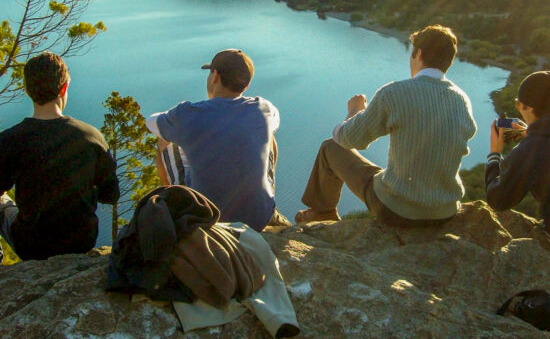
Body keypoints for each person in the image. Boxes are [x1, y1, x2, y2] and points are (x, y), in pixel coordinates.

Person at [295, 24, 477, 226]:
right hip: (445, 212)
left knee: (330, 147)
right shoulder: (462, 101)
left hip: (397, 210)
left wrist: (354, 111)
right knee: (391, 173)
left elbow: (348, 138)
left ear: (418, 54)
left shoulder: (394, 93)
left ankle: (322, 214)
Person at [146, 49, 288, 231]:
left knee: (165, 138)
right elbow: (269, 123)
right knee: (269, 136)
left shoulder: (187, 114)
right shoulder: (264, 108)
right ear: (246, 84)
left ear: (215, 77)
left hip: (206, 219)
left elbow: (151, 122)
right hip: (259, 217)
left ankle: (175, 209)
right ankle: (264, 200)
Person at [0, 52, 119, 262]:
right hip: (81, 241)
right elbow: (110, 195)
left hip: (30, 246)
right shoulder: (91, 137)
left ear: (27, 90)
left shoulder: (10, 140)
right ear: (63, 88)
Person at [485, 71, 550, 233]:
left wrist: (494, 155)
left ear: (529, 108)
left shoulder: (531, 150)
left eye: (517, 103)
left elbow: (499, 199)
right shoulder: (537, 143)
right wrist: (533, 132)